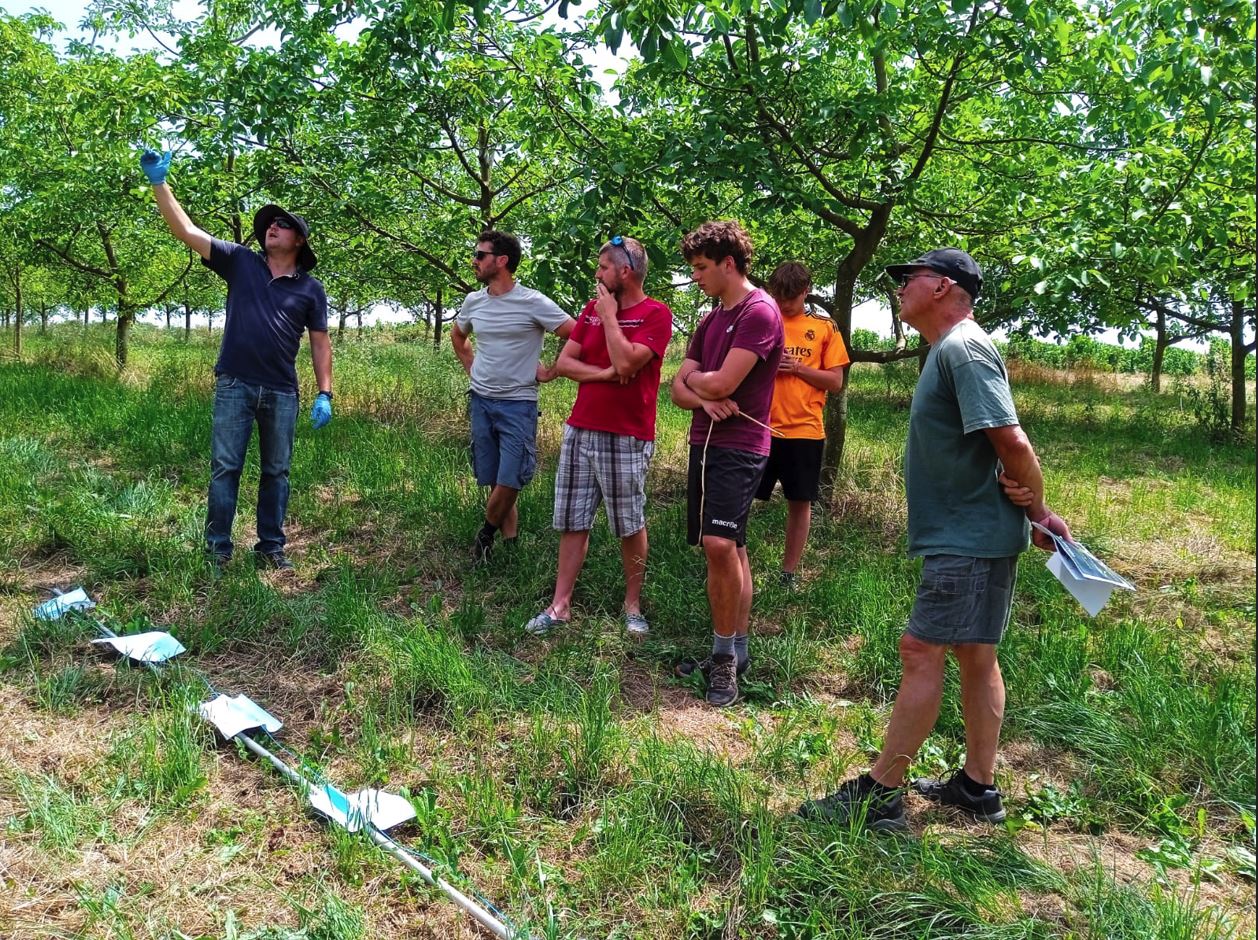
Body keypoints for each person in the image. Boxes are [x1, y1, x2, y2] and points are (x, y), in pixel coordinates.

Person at [797, 248, 1071, 831]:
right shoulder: (947, 351)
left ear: (943, 287)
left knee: (921, 651)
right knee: (976, 654)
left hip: (968, 537)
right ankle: (977, 787)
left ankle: (881, 796)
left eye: (908, 278)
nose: (899, 289)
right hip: (974, 531)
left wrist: (1040, 511)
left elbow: (1014, 444)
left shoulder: (964, 349)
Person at [139, 149, 333, 573]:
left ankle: (270, 548)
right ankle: (217, 551)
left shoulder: (311, 289)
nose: (273, 228)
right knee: (226, 468)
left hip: (282, 390)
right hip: (235, 383)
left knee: (277, 472)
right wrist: (159, 182)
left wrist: (325, 393)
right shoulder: (241, 262)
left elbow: (320, 342)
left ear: (299, 240)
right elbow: (186, 230)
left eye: (283, 225)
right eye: (271, 224)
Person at [524, 237, 673, 638]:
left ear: (625, 272)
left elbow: (628, 360)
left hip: (626, 435)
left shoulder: (656, 314)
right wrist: (606, 375)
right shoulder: (589, 311)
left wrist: (609, 316)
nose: (597, 274)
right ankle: (560, 606)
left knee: (628, 522)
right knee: (573, 519)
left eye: (604, 267)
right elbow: (565, 363)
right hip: (580, 428)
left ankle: (632, 606)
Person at [670, 221, 784, 707]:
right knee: (729, 546)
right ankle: (735, 651)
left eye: (701, 268)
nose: (695, 277)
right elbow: (678, 390)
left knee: (719, 543)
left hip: (741, 444)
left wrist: (702, 385)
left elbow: (715, 384)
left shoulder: (760, 312)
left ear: (728, 264)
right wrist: (703, 393)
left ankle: (723, 662)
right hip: (706, 438)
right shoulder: (711, 320)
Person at [451, 231, 574, 563]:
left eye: (480, 255)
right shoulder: (473, 301)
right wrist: (472, 369)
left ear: (501, 261)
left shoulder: (533, 302)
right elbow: (458, 336)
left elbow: (575, 332)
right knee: (493, 478)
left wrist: (553, 370)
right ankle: (510, 545)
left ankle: (485, 535)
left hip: (518, 403)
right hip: (480, 400)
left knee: (512, 477)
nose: (474, 261)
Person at [756, 262, 849, 586]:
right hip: (759, 427)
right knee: (739, 495)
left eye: (791, 299)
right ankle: (729, 559)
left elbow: (835, 382)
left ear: (806, 291)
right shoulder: (761, 321)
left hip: (804, 432)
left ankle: (788, 573)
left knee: (800, 502)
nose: (783, 305)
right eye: (779, 297)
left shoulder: (825, 328)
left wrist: (797, 368)